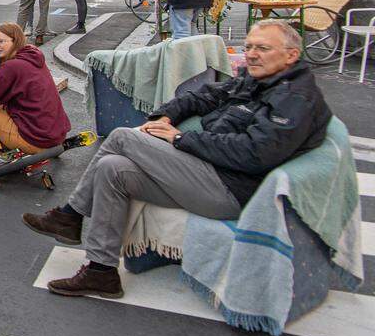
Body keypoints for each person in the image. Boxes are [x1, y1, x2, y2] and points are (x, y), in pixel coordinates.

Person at [22, 21, 331, 299]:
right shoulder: (258, 80)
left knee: (121, 137)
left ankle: (70, 215)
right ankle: (101, 271)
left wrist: (181, 139)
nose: (252, 54)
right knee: (111, 167)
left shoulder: (295, 98)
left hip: (229, 188)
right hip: (207, 172)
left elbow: (255, 154)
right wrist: (165, 115)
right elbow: (205, 96)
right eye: (249, 46)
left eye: (263, 48)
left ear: (291, 55)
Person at [0, 23, 70, 169]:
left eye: (1, 41)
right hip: (55, 137)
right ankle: (8, 148)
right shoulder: (32, 56)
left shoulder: (13, 66)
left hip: (35, 141)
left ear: (15, 41)